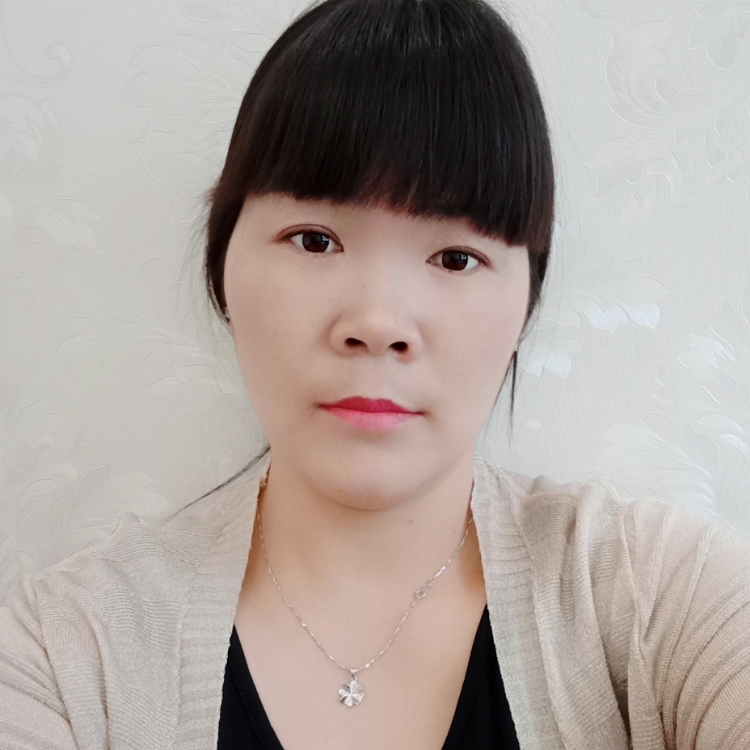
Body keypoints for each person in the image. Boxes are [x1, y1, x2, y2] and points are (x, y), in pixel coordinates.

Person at [2, 0, 750, 748]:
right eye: (314, 240)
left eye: (455, 257)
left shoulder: (656, 593)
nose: (378, 321)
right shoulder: (61, 655)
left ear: (527, 303)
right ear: (222, 271)